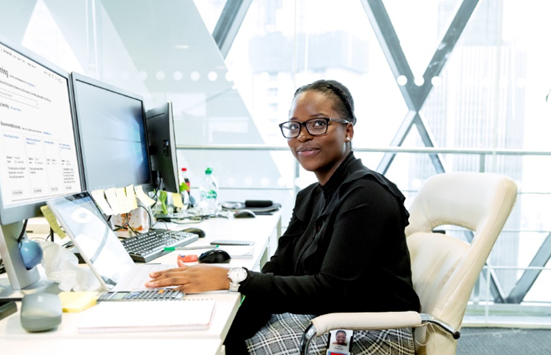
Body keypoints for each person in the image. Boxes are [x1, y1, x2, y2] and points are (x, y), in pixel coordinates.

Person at [146, 79, 421, 354]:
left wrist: (230, 278)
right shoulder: (311, 195)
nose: (302, 136)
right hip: (325, 316)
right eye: (294, 126)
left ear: (347, 131)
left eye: (317, 124)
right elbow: (279, 267)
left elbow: (332, 290)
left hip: (371, 330)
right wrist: (232, 311)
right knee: (217, 336)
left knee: (235, 348)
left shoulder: (366, 195)